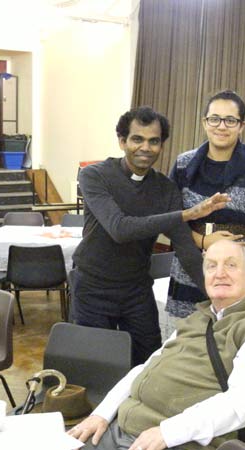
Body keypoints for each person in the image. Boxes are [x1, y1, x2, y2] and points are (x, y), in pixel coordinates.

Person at [68, 240, 245, 450]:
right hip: (120, 428)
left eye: (231, 265)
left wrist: (167, 433)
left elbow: (240, 404)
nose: (220, 273)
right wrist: (101, 414)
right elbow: (146, 368)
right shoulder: (197, 318)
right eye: (211, 266)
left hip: (175, 442)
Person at [71, 106, 230, 365]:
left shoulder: (165, 189)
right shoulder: (95, 176)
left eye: (153, 141)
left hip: (136, 289)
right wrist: (186, 214)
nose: (145, 147)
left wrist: (217, 295)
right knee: (96, 365)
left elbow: (186, 250)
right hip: (92, 288)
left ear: (161, 146)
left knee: (149, 362)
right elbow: (120, 229)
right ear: (122, 141)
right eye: (137, 139)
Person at [167, 90, 245, 327]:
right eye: (215, 119)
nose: (221, 126)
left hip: (243, 270)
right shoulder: (183, 164)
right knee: (188, 339)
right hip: (191, 266)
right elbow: (170, 220)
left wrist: (236, 259)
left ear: (242, 126)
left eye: (230, 120)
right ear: (205, 122)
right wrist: (203, 241)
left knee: (243, 337)